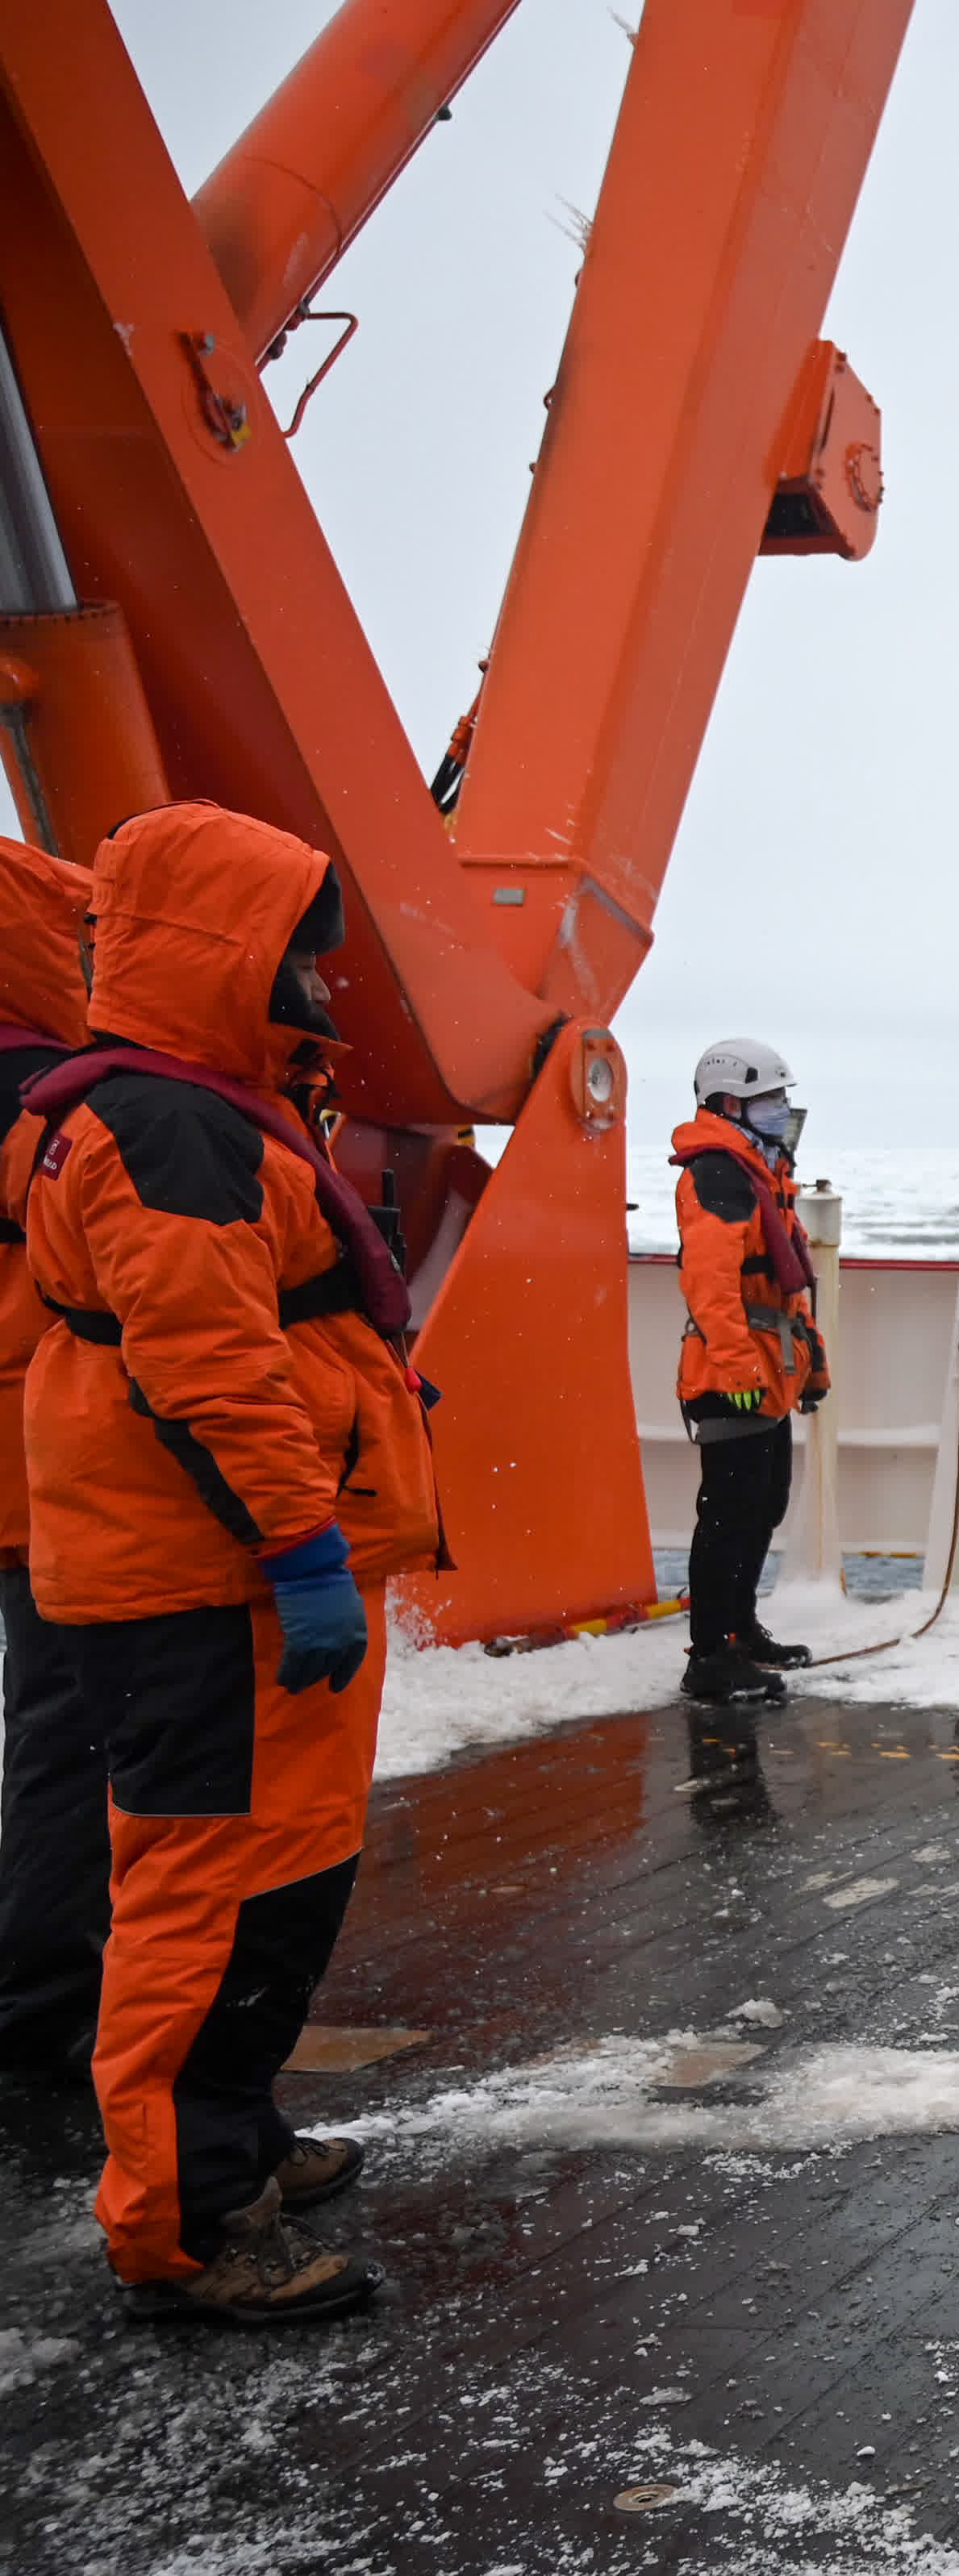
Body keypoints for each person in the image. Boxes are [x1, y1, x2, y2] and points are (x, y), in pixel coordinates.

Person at [19, 802, 436, 2324]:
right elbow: (206, 1364)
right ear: (227, 954)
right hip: (211, 1587)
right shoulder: (171, 1127)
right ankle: (183, 2222)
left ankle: (236, 2133)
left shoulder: (201, 1108)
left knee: (286, 1874)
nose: (325, 986)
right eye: (302, 956)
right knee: (210, 1897)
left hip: (231, 1574)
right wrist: (302, 1542)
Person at [0, 834, 96, 2083]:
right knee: (77, 1737)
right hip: (54, 1467)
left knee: (54, 1729)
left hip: (28, 1457)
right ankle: (50, 2006)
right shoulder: (47, 1097)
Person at [674, 1039, 827, 1705]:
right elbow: (711, 1287)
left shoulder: (759, 1173)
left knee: (762, 1506)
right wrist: (737, 1370)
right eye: (772, 1098)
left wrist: (810, 1368)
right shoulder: (718, 1175)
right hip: (732, 1374)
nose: (782, 1110)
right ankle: (710, 1657)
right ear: (732, 1102)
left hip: (767, 1373)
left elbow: (787, 1295)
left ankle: (740, 1631)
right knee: (729, 1515)